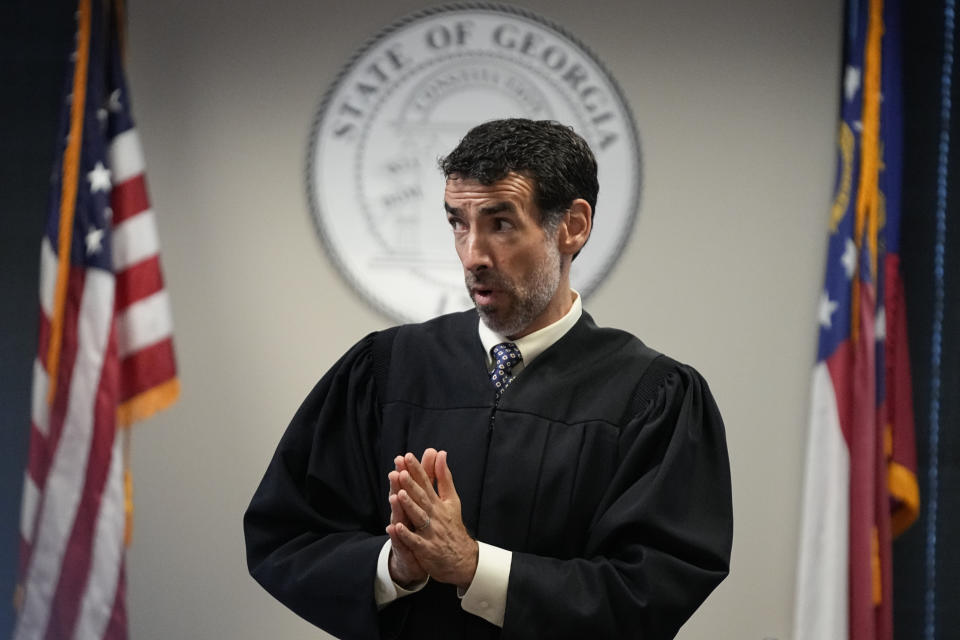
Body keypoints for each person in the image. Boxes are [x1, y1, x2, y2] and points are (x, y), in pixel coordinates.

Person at [243, 118, 733, 640]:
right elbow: (286, 535)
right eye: (458, 222)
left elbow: (651, 591)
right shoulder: (387, 370)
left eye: (500, 223)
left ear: (573, 226)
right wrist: (395, 567)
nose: (473, 255)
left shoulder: (648, 396)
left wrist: (477, 569)